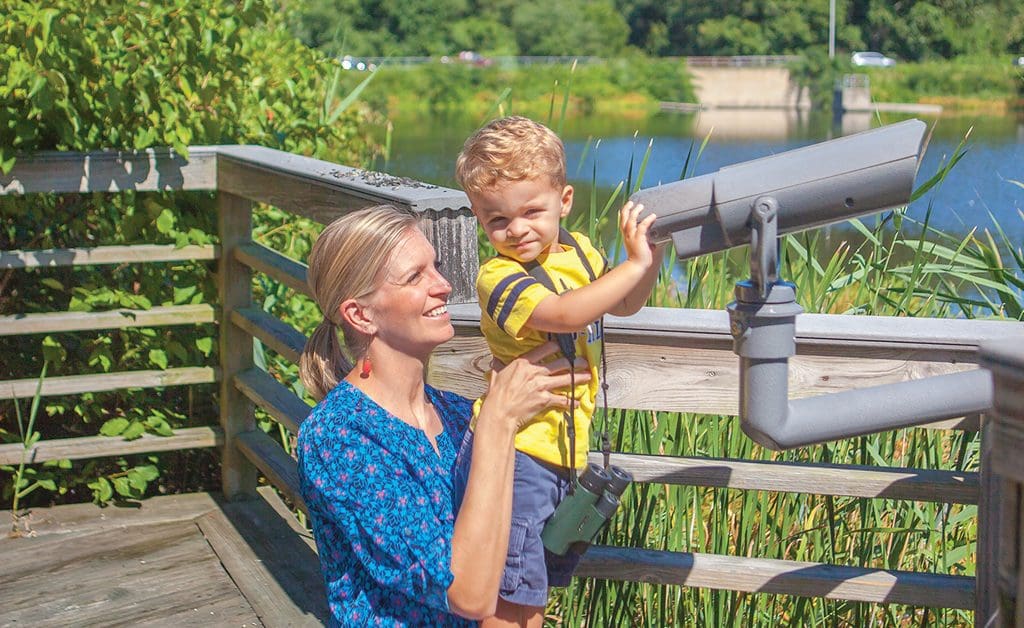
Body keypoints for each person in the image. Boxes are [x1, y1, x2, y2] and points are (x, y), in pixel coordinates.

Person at [296, 205, 589, 627]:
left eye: (435, 267)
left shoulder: (455, 412)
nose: (445, 285)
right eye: (416, 276)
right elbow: (466, 594)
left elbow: (514, 558)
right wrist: (498, 421)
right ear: (360, 315)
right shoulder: (338, 438)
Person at [453, 116, 665, 626]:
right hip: (520, 453)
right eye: (496, 220)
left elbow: (625, 306)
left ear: (564, 201)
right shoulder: (497, 277)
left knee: (531, 587)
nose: (516, 229)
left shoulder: (579, 251)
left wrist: (648, 259)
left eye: (531, 211)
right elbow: (565, 315)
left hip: (560, 453)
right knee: (512, 598)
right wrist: (629, 269)